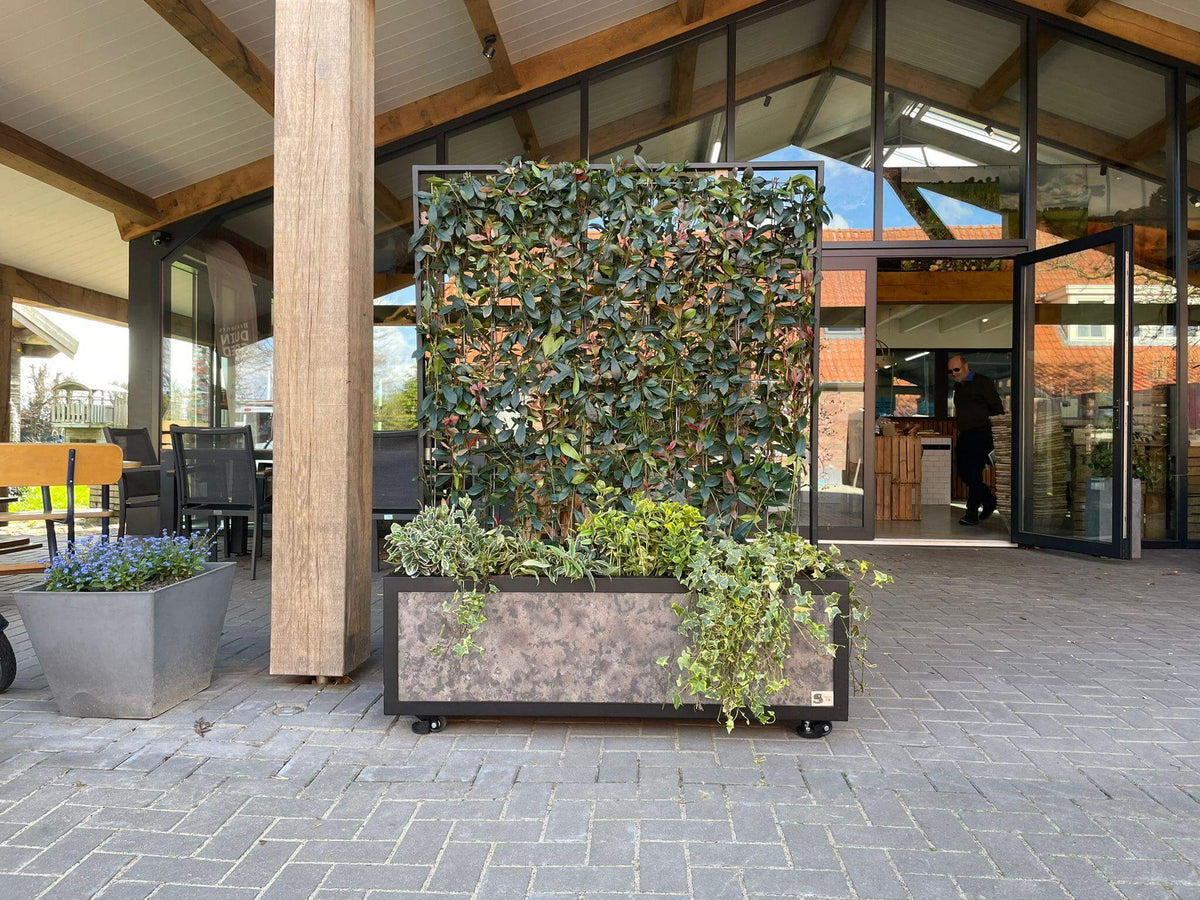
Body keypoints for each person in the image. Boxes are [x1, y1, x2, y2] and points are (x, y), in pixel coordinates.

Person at [948, 354, 1004, 526]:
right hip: (966, 435)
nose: (954, 374)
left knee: (973, 473)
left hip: (982, 434)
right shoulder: (959, 387)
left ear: (966, 367)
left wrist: (995, 433)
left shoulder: (982, 382)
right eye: (950, 372)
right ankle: (988, 500)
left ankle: (972, 512)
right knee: (963, 473)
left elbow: (997, 407)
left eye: (956, 369)